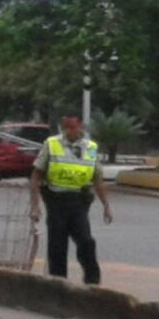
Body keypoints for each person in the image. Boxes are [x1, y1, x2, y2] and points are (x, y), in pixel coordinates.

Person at [29, 115, 113, 285]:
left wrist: (106, 206)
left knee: (86, 241)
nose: (68, 131)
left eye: (72, 127)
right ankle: (58, 284)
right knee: (57, 246)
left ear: (80, 126)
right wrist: (35, 206)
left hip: (79, 202)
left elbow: (97, 179)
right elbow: (36, 175)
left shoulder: (90, 147)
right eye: (65, 127)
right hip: (56, 202)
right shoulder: (52, 144)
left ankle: (92, 282)